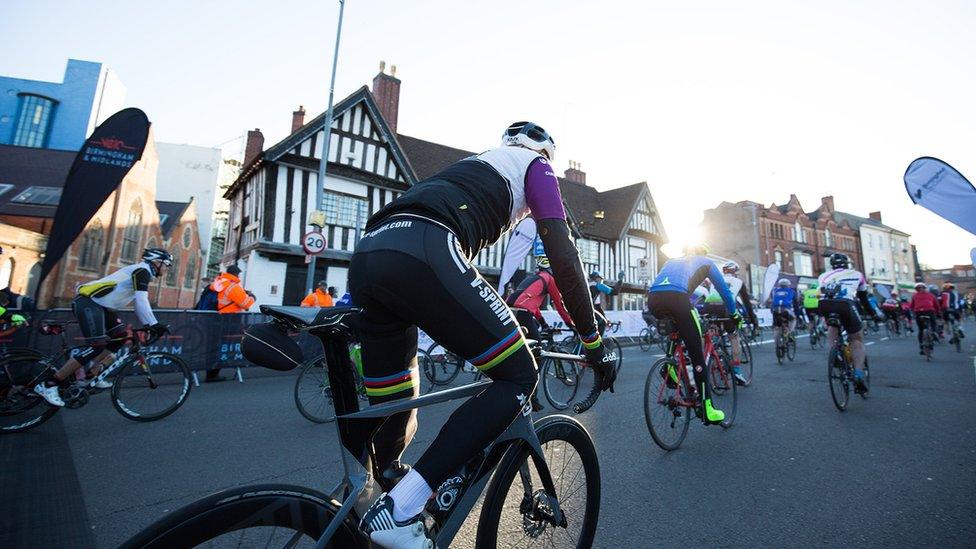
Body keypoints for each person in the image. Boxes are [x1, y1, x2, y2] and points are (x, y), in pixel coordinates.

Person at [349, 121, 616, 547]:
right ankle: (401, 513)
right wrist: (592, 342)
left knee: (396, 402)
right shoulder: (537, 166)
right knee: (518, 376)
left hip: (370, 254)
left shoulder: (475, 164)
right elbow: (563, 256)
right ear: (545, 151)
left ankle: (373, 497)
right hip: (426, 248)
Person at [33, 249, 172, 406]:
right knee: (97, 345)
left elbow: (137, 305)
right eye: (167, 264)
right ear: (156, 261)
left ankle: (89, 376)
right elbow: (141, 302)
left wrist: (151, 325)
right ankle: (49, 385)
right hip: (89, 303)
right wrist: (153, 324)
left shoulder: (142, 272)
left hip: (102, 307)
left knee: (119, 337)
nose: (167, 268)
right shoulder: (142, 271)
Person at [647, 244, 741, 424]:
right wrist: (734, 314)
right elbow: (725, 292)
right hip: (677, 299)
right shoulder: (706, 262)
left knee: (678, 330)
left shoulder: (672, 261)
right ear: (704, 252)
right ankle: (707, 408)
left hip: (653, 299)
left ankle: (669, 366)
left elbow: (680, 286)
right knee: (696, 352)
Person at [506, 255, 576, 411]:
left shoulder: (534, 278)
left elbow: (533, 304)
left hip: (509, 312)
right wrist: (570, 324)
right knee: (537, 355)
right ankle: (531, 398)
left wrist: (543, 323)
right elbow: (559, 304)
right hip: (523, 314)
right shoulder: (549, 279)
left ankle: (514, 382)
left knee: (519, 352)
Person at [817, 253, 879, 393]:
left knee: (832, 326)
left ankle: (835, 352)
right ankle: (858, 374)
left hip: (824, 304)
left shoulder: (823, 276)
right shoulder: (857, 274)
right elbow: (863, 298)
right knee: (856, 339)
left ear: (832, 265)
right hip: (845, 304)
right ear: (847, 264)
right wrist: (873, 314)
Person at [701, 261, 756, 384]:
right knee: (734, 337)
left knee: (710, 335)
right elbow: (746, 303)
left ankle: (710, 356)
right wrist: (753, 320)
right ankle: (736, 371)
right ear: (735, 272)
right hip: (725, 308)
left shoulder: (716, 279)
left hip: (709, 306)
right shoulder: (739, 282)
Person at [208, 265, 256, 382]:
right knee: (223, 345)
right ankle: (215, 372)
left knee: (213, 345)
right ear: (236, 274)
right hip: (228, 320)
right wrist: (252, 297)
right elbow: (245, 304)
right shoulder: (232, 286)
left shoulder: (218, 282)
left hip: (213, 318)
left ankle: (211, 371)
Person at [909, 282, 941, 353]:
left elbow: (911, 306)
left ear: (916, 289)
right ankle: (933, 332)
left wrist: (913, 312)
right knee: (933, 324)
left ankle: (921, 345)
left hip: (918, 312)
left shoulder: (914, 296)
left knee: (921, 330)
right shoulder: (931, 295)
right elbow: (936, 305)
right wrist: (938, 312)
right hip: (929, 311)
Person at [770, 279, 801, 346]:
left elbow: (772, 302)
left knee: (777, 327)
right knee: (793, 319)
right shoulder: (792, 291)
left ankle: (777, 345)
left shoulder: (775, 291)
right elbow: (796, 304)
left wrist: (772, 311)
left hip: (775, 310)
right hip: (785, 310)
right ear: (788, 285)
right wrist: (797, 314)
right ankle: (789, 332)